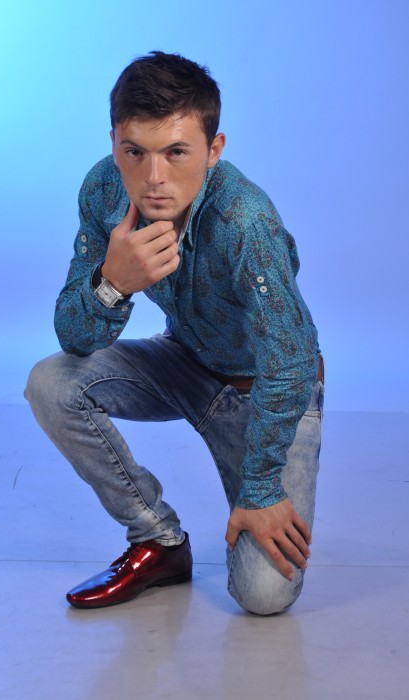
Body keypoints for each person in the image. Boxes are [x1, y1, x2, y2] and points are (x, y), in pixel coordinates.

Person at [25, 51, 324, 615]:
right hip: (183, 363)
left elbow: (291, 359)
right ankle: (158, 542)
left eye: (177, 152)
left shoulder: (245, 221)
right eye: (134, 151)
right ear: (114, 141)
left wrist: (261, 488)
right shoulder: (104, 189)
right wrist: (112, 285)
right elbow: (73, 336)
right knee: (51, 383)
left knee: (263, 596)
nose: (153, 178)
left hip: (263, 391)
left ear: (214, 150)